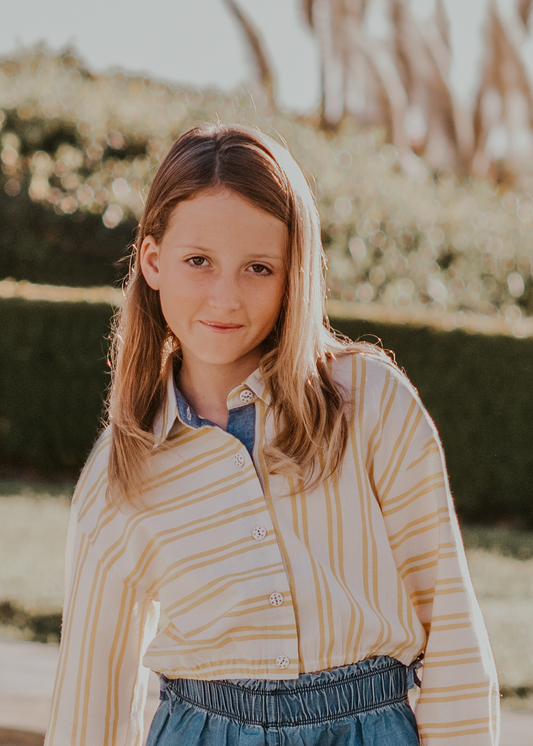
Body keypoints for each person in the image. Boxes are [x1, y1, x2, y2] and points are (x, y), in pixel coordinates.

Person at [45, 123, 499, 746]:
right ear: (152, 261)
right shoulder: (118, 473)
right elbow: (87, 706)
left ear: (294, 276)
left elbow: (452, 632)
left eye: (258, 268)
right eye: (198, 261)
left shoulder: (370, 404)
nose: (225, 297)